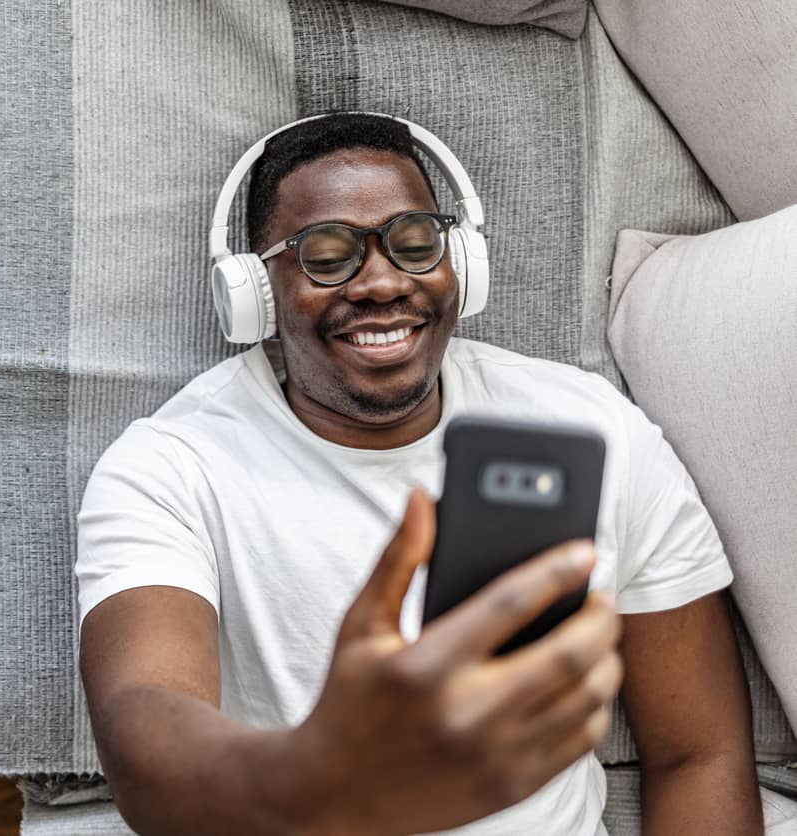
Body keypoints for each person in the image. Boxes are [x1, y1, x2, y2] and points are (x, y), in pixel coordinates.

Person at [75, 112, 761, 835]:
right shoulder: (168, 468)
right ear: (253, 289)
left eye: (413, 243)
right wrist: (321, 764)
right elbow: (144, 740)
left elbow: (699, 752)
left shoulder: (591, 428)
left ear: (459, 263)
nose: (381, 283)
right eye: (327, 254)